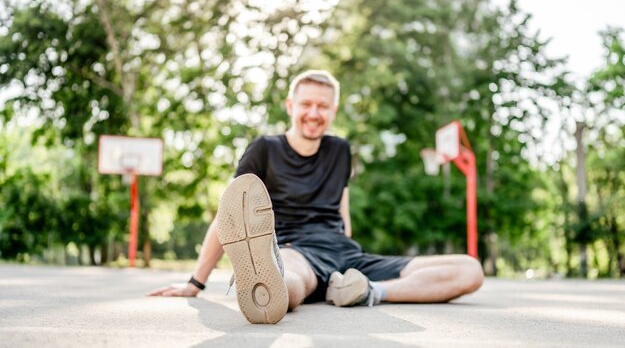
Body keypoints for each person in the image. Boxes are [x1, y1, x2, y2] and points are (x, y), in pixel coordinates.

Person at [148, 70, 484, 324]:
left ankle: (366, 293)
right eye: (306, 104)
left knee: (469, 270)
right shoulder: (265, 149)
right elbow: (230, 217)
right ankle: (265, 284)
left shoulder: (340, 150)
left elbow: (343, 211)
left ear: (333, 110)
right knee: (288, 279)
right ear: (291, 106)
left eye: (322, 106)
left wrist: (354, 269)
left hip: (345, 259)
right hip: (294, 248)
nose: (314, 113)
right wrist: (196, 282)